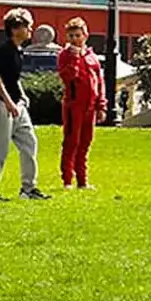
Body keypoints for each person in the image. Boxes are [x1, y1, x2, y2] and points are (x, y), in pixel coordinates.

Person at [0, 8, 46, 201]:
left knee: (30, 142)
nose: (30, 30)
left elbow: (13, 78)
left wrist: (22, 96)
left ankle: (29, 188)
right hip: (0, 104)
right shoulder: (4, 50)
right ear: (16, 28)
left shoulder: (19, 51)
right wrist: (8, 102)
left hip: (17, 105)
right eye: (28, 26)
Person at [55, 18, 103, 191]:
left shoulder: (92, 57)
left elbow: (99, 82)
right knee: (71, 141)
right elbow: (67, 77)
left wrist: (101, 105)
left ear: (85, 36)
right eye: (71, 36)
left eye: (77, 35)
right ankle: (67, 179)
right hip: (73, 104)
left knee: (85, 142)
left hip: (90, 106)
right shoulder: (65, 55)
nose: (74, 39)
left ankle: (82, 181)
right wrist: (74, 58)